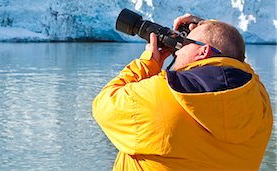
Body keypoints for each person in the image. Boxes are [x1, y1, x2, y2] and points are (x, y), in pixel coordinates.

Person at [93, 14, 273, 171]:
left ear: (203, 51)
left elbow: (103, 105)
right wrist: (209, 29)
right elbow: (234, 58)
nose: (177, 51)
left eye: (185, 43)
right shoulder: (260, 104)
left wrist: (147, 64)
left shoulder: (157, 97)